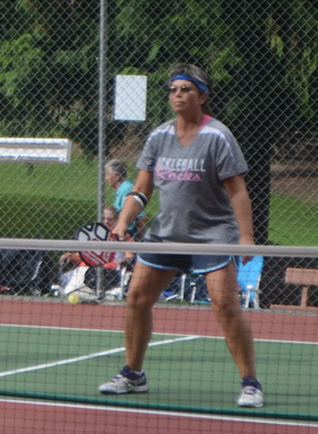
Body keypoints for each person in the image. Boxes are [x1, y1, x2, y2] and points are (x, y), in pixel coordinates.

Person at [100, 64, 263, 408]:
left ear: (202, 96)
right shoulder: (158, 137)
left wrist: (246, 236)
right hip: (165, 235)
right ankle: (133, 374)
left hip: (213, 234)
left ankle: (250, 383)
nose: (178, 95)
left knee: (225, 304)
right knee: (137, 297)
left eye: (186, 89)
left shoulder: (218, 136)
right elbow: (141, 189)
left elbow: (238, 192)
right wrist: (123, 222)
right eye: (173, 89)